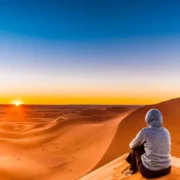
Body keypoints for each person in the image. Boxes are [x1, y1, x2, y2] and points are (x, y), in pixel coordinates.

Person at [125, 108, 171, 179]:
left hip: (150, 172)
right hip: (167, 169)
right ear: (160, 119)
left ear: (148, 119)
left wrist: (141, 143)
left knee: (136, 147)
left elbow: (132, 146)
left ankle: (132, 170)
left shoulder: (145, 132)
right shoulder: (166, 131)